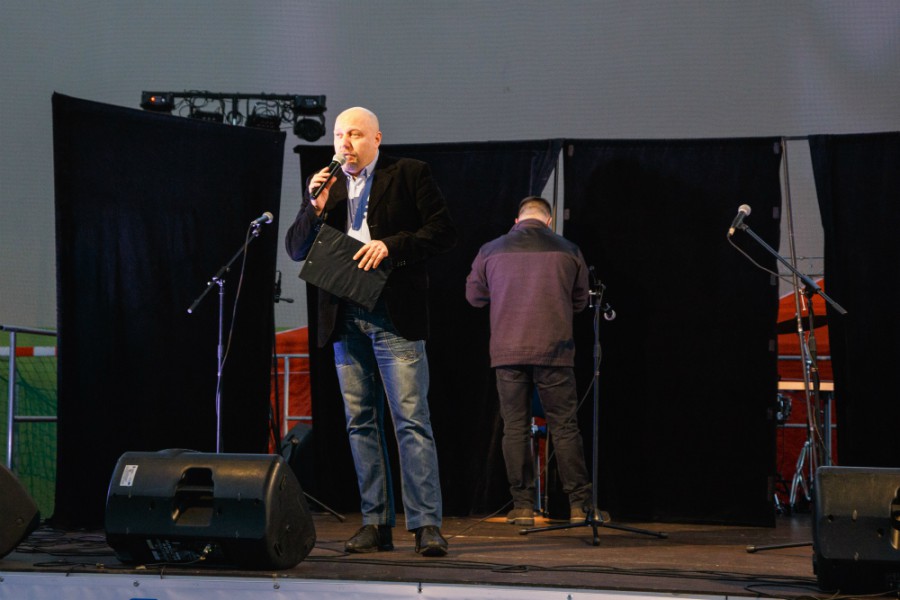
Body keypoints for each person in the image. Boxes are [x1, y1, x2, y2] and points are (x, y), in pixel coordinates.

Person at [285, 107, 456, 556]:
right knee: (360, 422)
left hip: (392, 312)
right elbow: (296, 248)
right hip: (343, 315)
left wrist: (390, 246)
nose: (345, 143)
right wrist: (313, 207)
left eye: (356, 135)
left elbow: (443, 231)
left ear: (376, 139)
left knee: (411, 420)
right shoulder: (327, 185)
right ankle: (375, 523)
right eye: (339, 135)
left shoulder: (409, 174)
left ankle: (425, 525)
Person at [465, 196, 594, 527]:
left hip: (508, 351)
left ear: (517, 220)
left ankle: (523, 506)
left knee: (515, 428)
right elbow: (580, 301)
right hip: (555, 350)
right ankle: (579, 507)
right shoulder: (569, 250)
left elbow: (474, 297)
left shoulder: (491, 250)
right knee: (565, 426)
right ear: (549, 221)